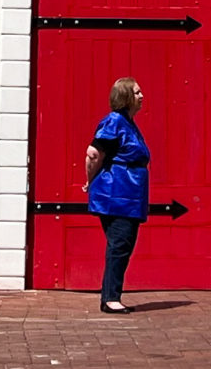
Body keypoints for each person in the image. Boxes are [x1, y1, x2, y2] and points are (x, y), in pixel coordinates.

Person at [84, 76, 149, 313]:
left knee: (124, 245)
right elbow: (93, 153)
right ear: (125, 97)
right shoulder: (114, 122)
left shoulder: (128, 123)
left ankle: (112, 295)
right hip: (117, 195)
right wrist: (89, 181)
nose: (142, 96)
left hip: (129, 195)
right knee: (119, 245)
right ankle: (110, 298)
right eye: (137, 92)